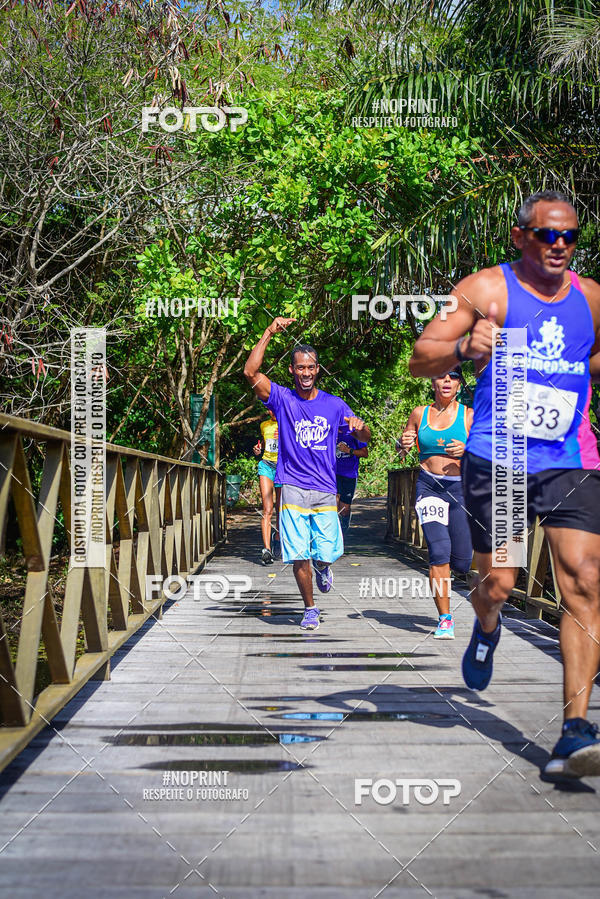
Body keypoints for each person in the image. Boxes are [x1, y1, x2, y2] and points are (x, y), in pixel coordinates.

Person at [409, 190, 600, 778]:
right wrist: (463, 347)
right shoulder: (487, 290)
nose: (560, 245)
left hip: (570, 458)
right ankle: (487, 625)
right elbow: (421, 357)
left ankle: (574, 730)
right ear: (521, 237)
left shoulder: (592, 298)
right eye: (547, 235)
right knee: (499, 582)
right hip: (504, 458)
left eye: (570, 236)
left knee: (585, 581)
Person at [244, 316, 371, 630]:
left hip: (325, 488)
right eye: (300, 367)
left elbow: (365, 438)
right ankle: (310, 608)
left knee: (325, 552)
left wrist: (361, 427)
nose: (305, 373)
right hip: (292, 486)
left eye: (311, 367)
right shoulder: (283, 399)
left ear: (318, 369)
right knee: (298, 552)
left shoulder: (335, 405)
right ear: (292, 370)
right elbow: (250, 373)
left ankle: (323, 567)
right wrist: (269, 331)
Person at [397, 369, 474, 638]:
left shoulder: (469, 416)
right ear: (433, 383)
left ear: (459, 384)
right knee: (439, 551)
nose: (447, 381)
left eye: (453, 376)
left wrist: (468, 450)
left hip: (460, 489)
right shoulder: (419, 414)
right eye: (441, 376)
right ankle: (445, 618)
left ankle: (455, 570)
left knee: (462, 562)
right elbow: (402, 449)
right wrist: (402, 444)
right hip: (429, 486)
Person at [252, 409, 281, 564]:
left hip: (283, 467)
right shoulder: (264, 425)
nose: (272, 411)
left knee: (281, 508)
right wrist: (258, 449)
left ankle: (278, 537)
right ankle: (267, 550)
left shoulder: (288, 423)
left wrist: (284, 437)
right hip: (266, 465)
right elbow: (265, 443)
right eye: (270, 408)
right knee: (267, 509)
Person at [336, 424, 368, 534]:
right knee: (333, 506)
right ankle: (335, 534)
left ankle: (344, 528)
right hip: (332, 474)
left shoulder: (353, 433)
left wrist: (348, 450)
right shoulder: (329, 430)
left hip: (349, 474)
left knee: (344, 510)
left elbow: (365, 453)